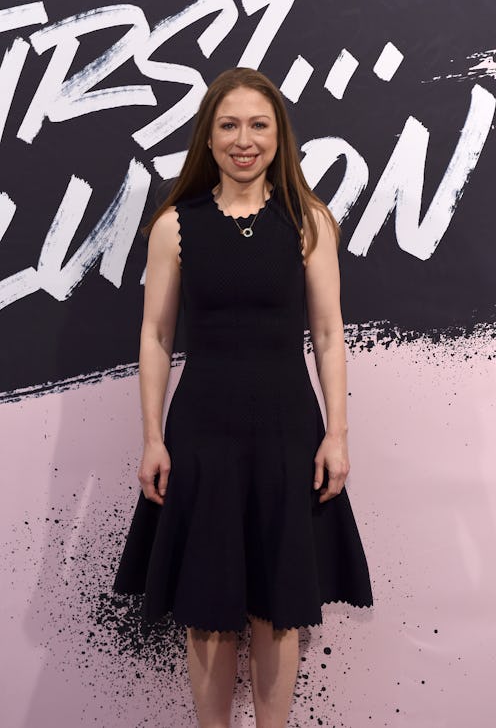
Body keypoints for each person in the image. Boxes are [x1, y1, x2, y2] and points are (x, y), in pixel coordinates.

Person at [114, 66, 373, 728]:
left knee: (277, 606)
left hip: (288, 431)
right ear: (208, 136)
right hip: (203, 434)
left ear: (278, 135)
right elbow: (155, 336)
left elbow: (329, 335)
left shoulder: (309, 222)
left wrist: (336, 434)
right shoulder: (174, 226)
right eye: (228, 125)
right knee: (207, 605)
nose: (243, 140)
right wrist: (152, 439)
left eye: (258, 125)